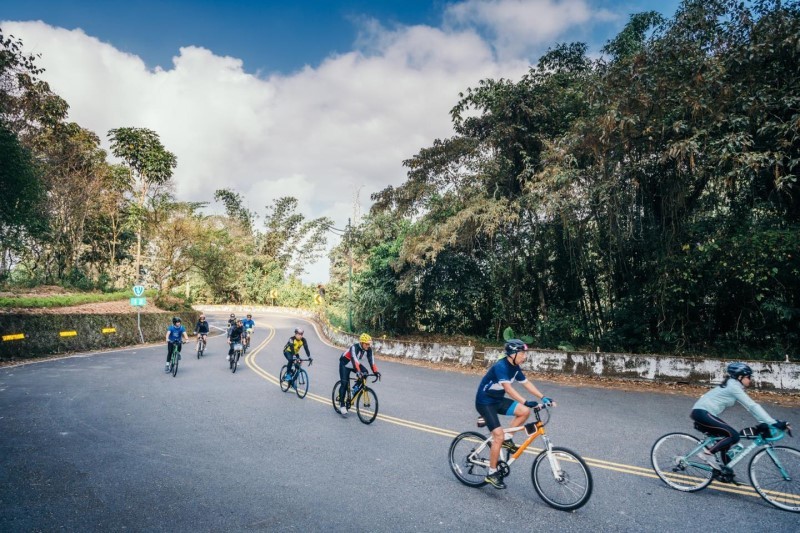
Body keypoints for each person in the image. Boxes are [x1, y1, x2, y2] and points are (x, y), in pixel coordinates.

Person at [475, 339, 554, 489]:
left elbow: (527, 383)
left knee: (524, 412)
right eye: (522, 353)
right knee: (498, 435)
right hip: (485, 402)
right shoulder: (501, 366)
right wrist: (525, 401)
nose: (525, 356)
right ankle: (492, 473)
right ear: (512, 354)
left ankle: (507, 439)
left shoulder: (515, 367)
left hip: (497, 400)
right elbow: (509, 389)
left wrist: (542, 397)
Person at [691, 362, 790, 472]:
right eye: (748, 377)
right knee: (733, 436)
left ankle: (724, 470)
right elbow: (752, 405)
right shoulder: (733, 387)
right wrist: (773, 422)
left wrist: (767, 422)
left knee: (726, 438)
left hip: (706, 413)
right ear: (740, 377)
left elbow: (750, 408)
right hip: (702, 413)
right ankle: (707, 453)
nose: (750, 380)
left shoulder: (733, 385)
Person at [337, 333, 381, 416]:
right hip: (345, 364)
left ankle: (354, 389)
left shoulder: (369, 349)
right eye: (367, 344)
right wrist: (358, 371)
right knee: (344, 384)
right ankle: (342, 405)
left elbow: (371, 361)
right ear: (361, 343)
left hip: (354, 364)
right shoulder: (355, 347)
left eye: (369, 344)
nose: (368, 345)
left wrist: (375, 371)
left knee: (365, 373)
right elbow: (354, 359)